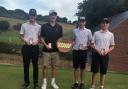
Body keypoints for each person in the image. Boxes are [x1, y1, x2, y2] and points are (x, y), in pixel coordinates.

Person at [90, 18, 115, 89]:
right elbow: (92, 44)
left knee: (103, 71)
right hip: (96, 54)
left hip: (105, 55)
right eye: (103, 23)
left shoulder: (111, 34)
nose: (105, 24)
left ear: (108, 25)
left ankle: (101, 86)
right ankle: (93, 86)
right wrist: (97, 50)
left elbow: (112, 46)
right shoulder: (96, 33)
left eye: (106, 23)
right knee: (95, 71)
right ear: (101, 24)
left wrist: (107, 51)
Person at [40, 9, 63, 89]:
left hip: (56, 51)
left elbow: (61, 40)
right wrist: (46, 45)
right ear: (49, 16)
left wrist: (61, 48)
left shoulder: (59, 27)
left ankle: (53, 83)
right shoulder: (44, 26)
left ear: (56, 17)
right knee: (45, 66)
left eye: (55, 15)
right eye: (52, 15)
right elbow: (41, 38)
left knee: (54, 67)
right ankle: (44, 83)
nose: (53, 16)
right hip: (46, 50)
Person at [20, 9, 41, 89]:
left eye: (33, 15)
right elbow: (21, 35)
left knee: (35, 66)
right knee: (26, 66)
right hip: (26, 47)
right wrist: (25, 41)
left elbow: (40, 38)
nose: (32, 16)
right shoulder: (24, 25)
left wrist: (37, 42)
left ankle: (35, 83)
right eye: (31, 15)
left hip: (35, 48)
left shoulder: (39, 26)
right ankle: (26, 83)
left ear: (36, 16)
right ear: (29, 15)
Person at [72, 17, 92, 89]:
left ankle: (82, 83)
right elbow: (73, 40)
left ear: (85, 22)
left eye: (83, 21)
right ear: (78, 22)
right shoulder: (74, 31)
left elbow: (90, 42)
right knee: (76, 68)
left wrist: (86, 45)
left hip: (83, 51)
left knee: (83, 68)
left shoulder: (88, 31)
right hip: (76, 51)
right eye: (80, 21)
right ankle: (76, 82)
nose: (81, 23)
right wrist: (73, 43)